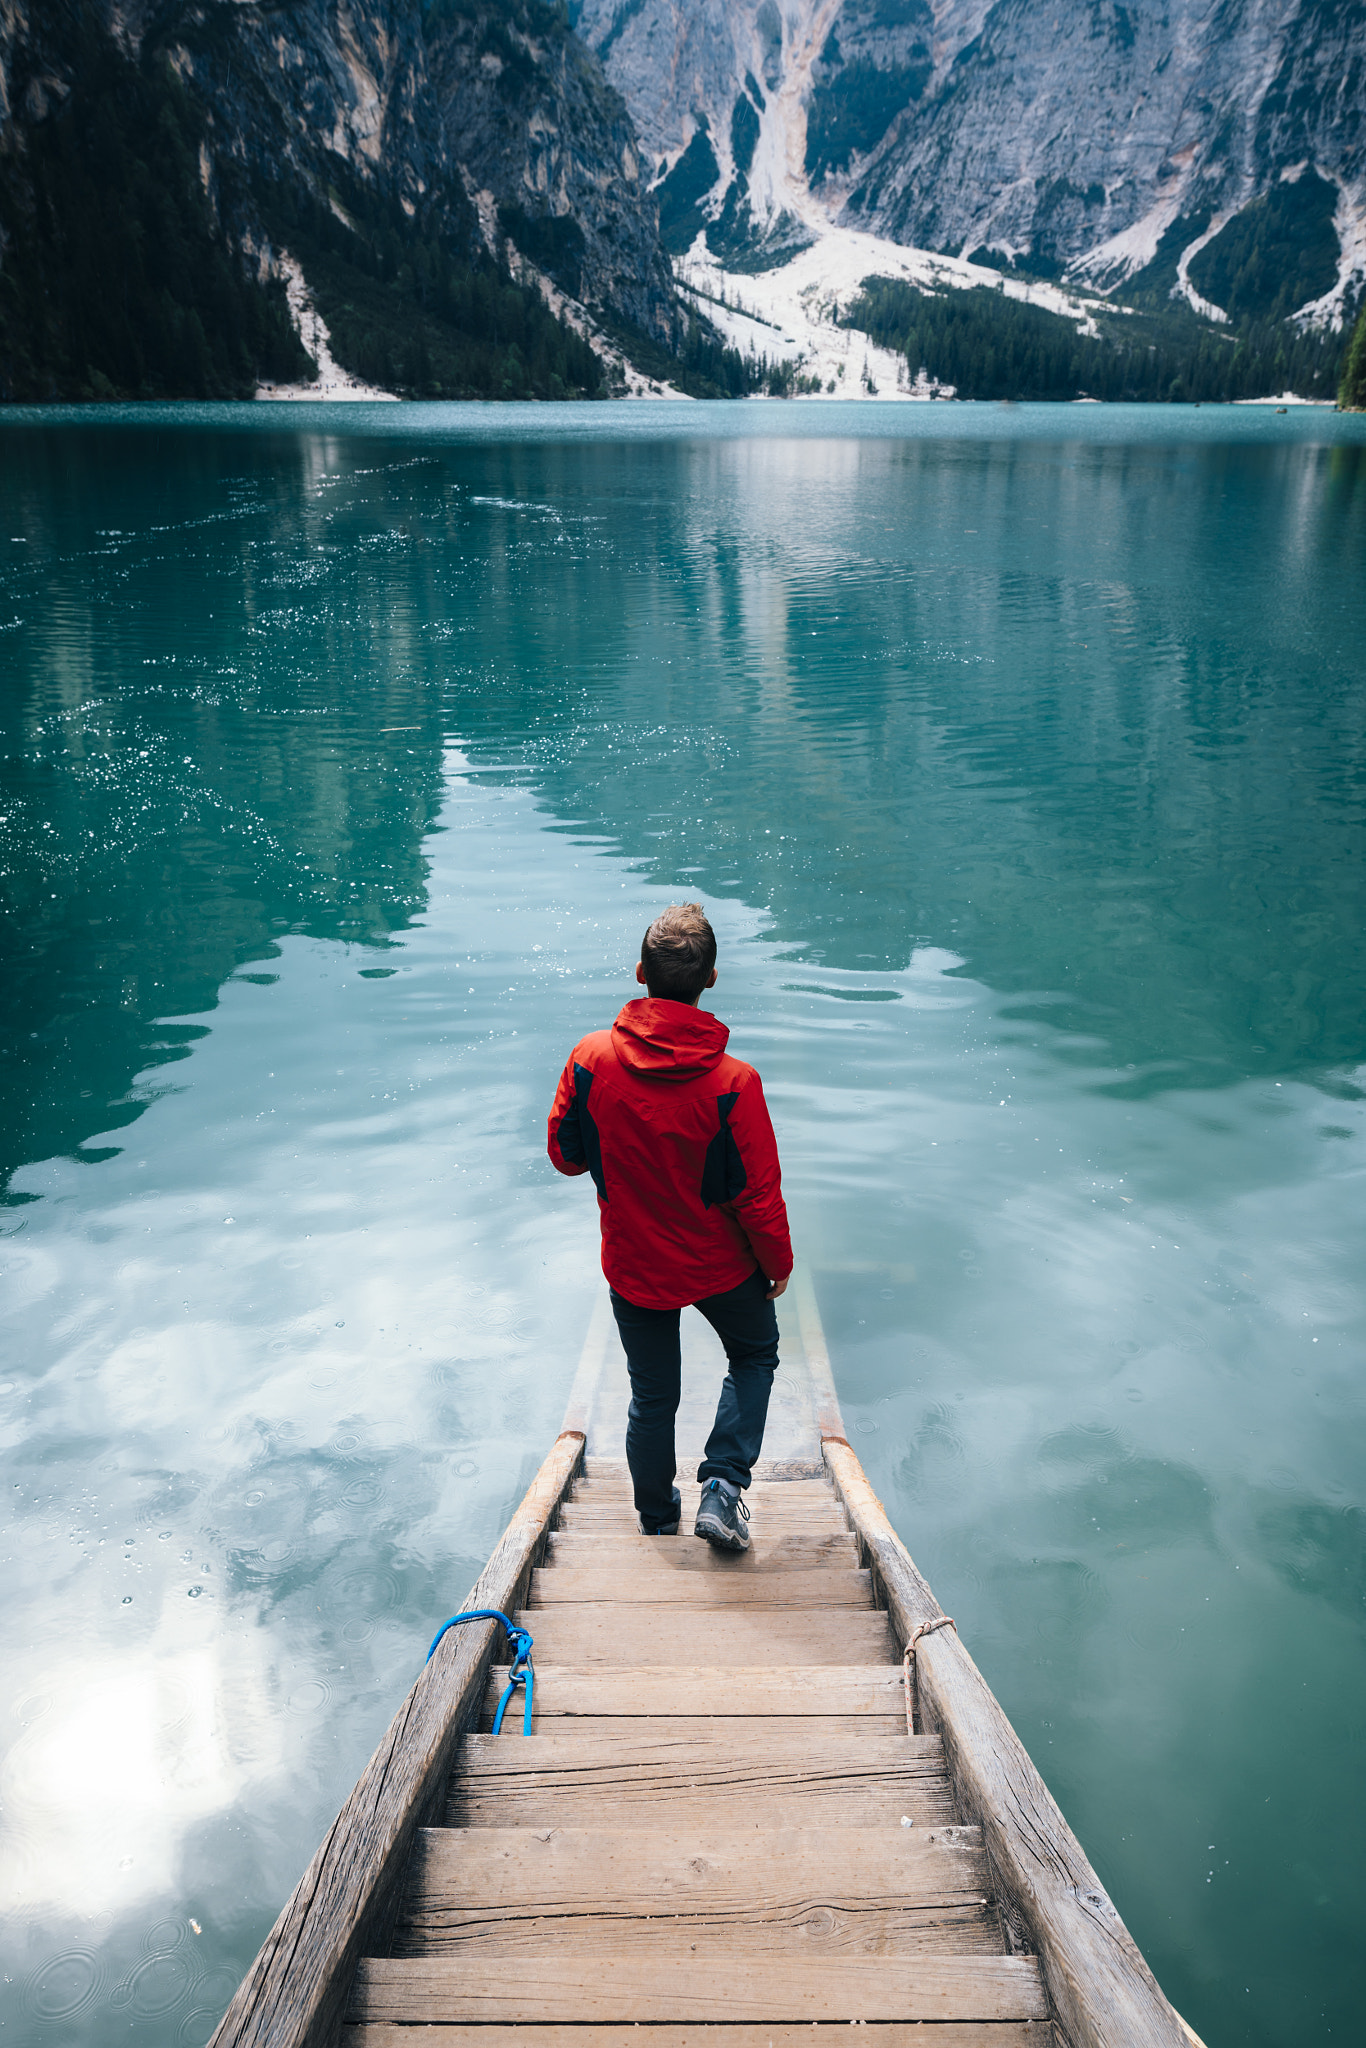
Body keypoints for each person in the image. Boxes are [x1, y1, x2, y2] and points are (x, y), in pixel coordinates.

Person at [547, 903, 793, 1550]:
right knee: (755, 1353)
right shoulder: (735, 1084)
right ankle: (723, 1485)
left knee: (652, 1396)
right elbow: (757, 1196)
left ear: (638, 973)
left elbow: (567, 1158)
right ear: (711, 979)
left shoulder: (589, 1059)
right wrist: (778, 1265)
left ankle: (657, 1516)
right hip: (720, 1264)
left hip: (635, 1262)